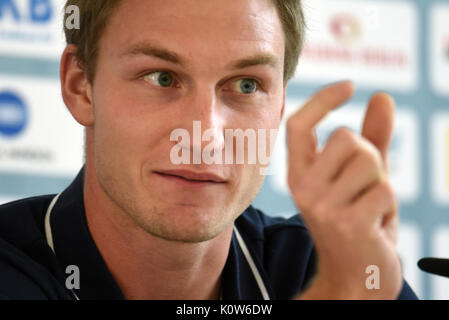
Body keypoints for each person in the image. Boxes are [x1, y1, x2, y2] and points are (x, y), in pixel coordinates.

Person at [0, 0, 417, 300]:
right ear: (80, 87)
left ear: (280, 106)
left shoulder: (315, 264)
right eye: (162, 78)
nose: (205, 136)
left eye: (246, 85)